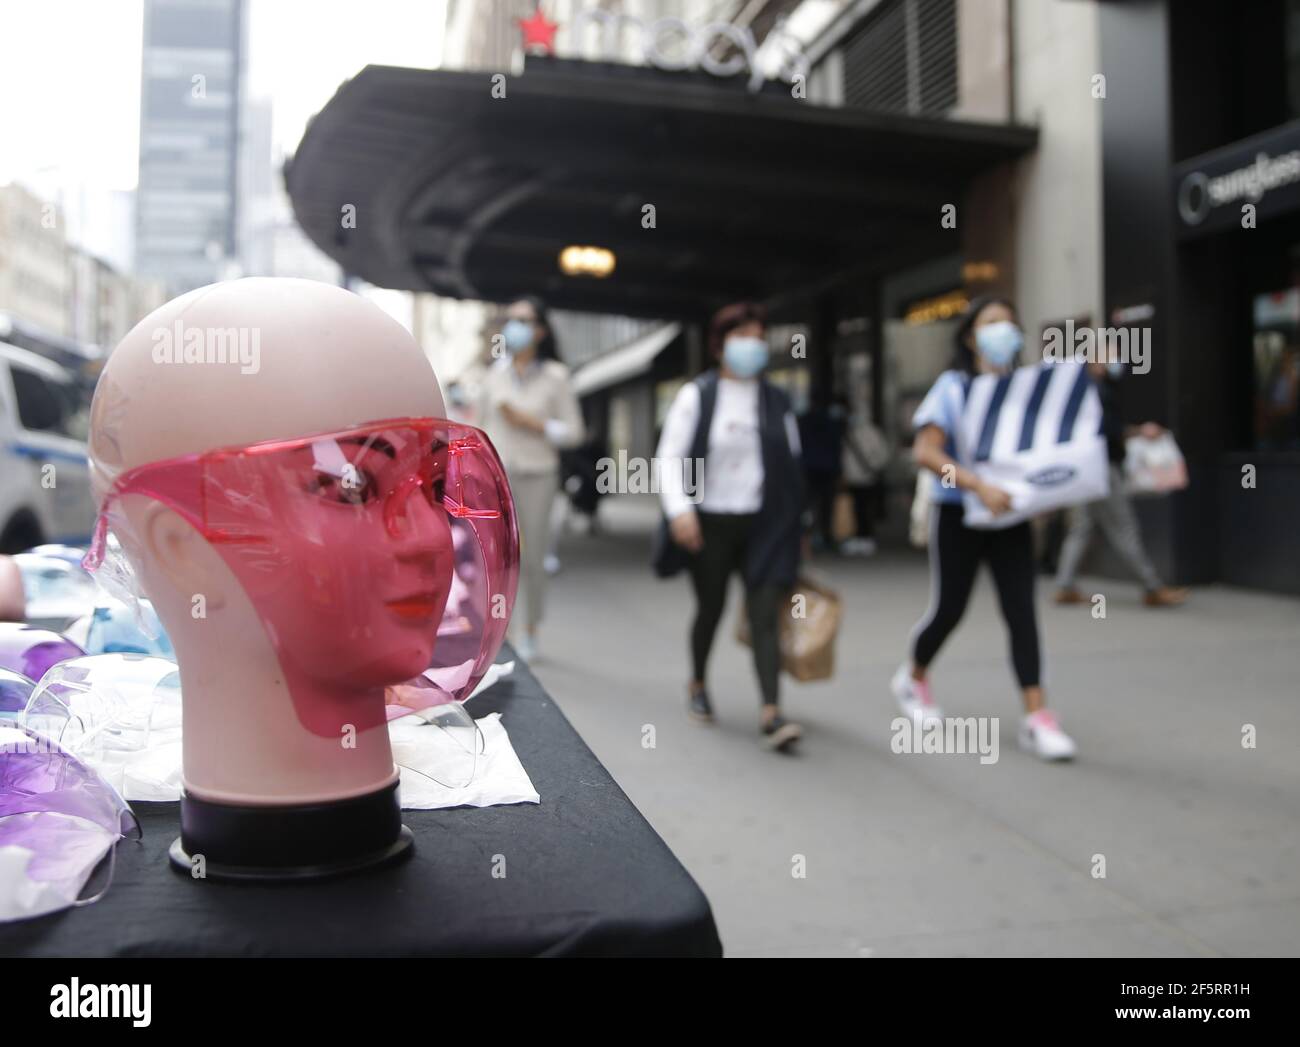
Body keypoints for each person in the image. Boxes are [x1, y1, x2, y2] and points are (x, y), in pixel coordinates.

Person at [893, 295, 1078, 761]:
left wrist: (1041, 495)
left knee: (1021, 610)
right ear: (971, 335)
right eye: (992, 322)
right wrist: (976, 486)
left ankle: (1037, 715)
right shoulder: (952, 388)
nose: (1003, 331)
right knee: (950, 607)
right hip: (958, 513)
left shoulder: (1024, 388)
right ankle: (913, 678)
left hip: (1009, 515)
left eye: (1010, 323)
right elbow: (926, 454)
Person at [656, 302, 804, 752]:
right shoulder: (697, 395)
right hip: (710, 523)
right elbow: (669, 459)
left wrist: (801, 527)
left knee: (764, 614)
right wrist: (680, 511)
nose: (753, 346)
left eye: (759, 337)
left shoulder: (777, 400)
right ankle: (698, 683)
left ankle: (772, 712)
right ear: (720, 345)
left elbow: (792, 464)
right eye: (742, 336)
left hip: (765, 524)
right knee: (712, 607)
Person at [478, 297, 584, 660]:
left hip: (539, 475)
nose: (516, 327)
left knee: (532, 557)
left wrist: (533, 424)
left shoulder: (556, 376)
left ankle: (530, 629)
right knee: (496, 557)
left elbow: (574, 432)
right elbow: (480, 429)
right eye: (512, 320)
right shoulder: (494, 374)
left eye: (524, 321)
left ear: (540, 330)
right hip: (498, 478)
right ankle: (494, 628)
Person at [1054, 359, 1189, 607]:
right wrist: (1139, 432)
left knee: (1081, 528)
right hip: (1102, 467)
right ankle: (1152, 587)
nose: (1115, 360)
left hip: (1085, 468)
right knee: (1123, 527)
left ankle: (1064, 585)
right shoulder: (1099, 392)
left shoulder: (1084, 390)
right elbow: (1108, 430)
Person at [840, 399, 889, 556]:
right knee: (864, 508)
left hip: (857, 477)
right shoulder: (872, 432)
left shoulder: (853, 433)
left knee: (860, 508)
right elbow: (884, 453)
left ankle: (863, 538)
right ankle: (864, 537)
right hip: (868, 476)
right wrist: (875, 467)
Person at [798, 394, 845, 552]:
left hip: (808, 468)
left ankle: (808, 537)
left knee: (808, 505)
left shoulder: (804, 421)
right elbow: (837, 447)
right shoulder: (832, 422)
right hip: (828, 468)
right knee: (826, 505)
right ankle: (826, 535)